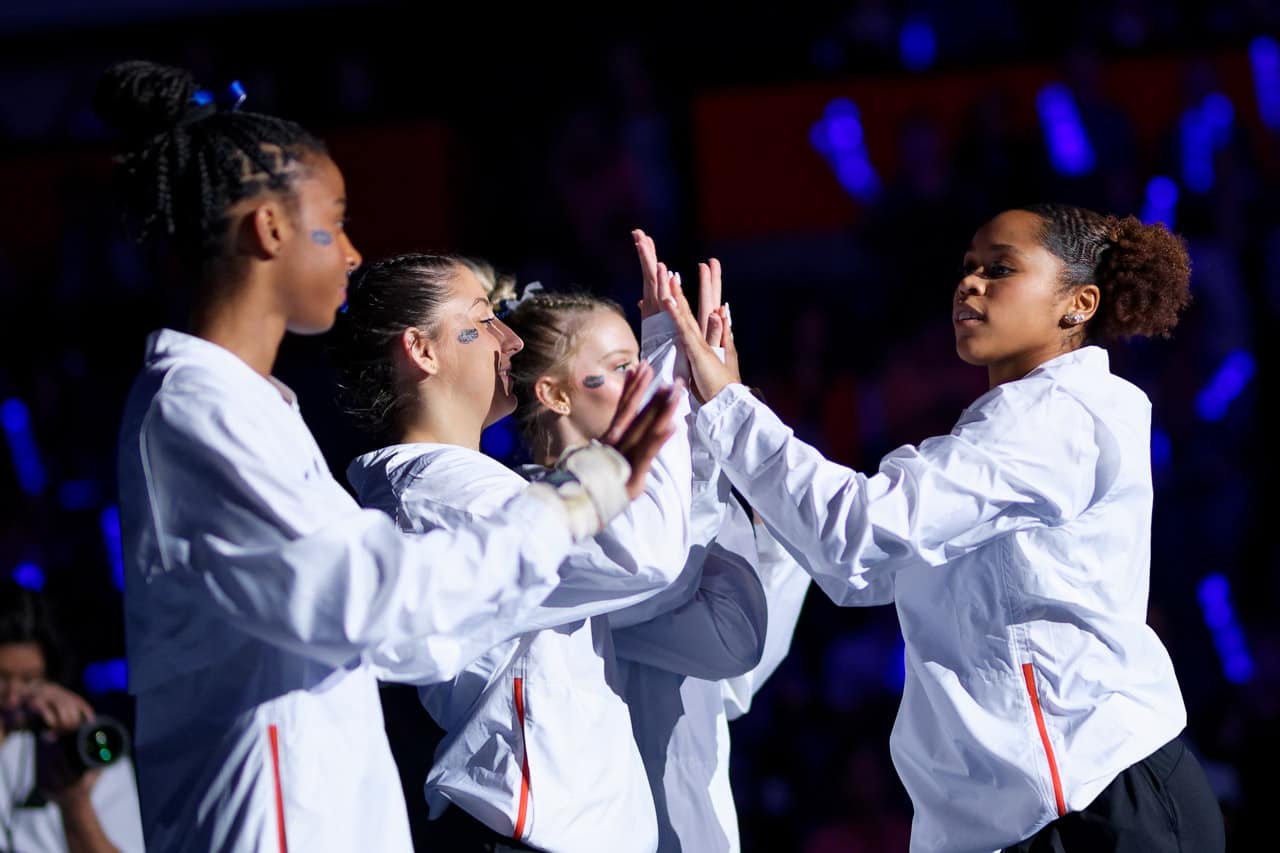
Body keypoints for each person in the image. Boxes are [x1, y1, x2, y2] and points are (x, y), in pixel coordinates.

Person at [98, 60, 677, 852]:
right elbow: (367, 597)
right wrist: (572, 503)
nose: (350, 253)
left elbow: (410, 635)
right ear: (268, 229)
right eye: (331, 224)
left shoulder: (247, 409)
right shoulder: (195, 409)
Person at [660, 204, 1225, 852]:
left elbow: (861, 531)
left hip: (1097, 804)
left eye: (1000, 268)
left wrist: (732, 409)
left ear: (1078, 302)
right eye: (968, 268)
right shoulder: (1003, 428)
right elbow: (865, 571)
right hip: (1029, 818)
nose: (971, 283)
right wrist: (737, 432)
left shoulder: (1061, 418)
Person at [337, 249, 694, 853]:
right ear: (422, 351)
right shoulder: (447, 495)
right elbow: (644, 554)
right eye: (482, 322)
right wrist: (661, 362)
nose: (511, 341)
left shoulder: (467, 485)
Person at [502, 231, 810, 851]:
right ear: (556, 394)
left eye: (646, 364)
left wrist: (728, 432)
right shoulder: (541, 526)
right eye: (623, 369)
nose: (655, 384)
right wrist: (705, 442)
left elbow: (739, 681)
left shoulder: (655, 507)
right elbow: (732, 637)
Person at [0, 579, 143, 853]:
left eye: (29, 680)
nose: (14, 697)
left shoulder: (80, 745)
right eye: (2, 679)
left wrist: (74, 800)